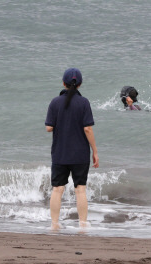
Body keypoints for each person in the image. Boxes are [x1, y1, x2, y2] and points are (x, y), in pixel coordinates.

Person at [45, 68, 99, 230]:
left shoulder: (55, 102)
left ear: (64, 83)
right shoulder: (84, 103)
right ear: (80, 85)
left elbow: (49, 128)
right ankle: (82, 224)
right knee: (80, 190)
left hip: (60, 153)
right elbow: (88, 129)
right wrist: (95, 151)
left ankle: (55, 224)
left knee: (57, 189)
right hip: (80, 154)